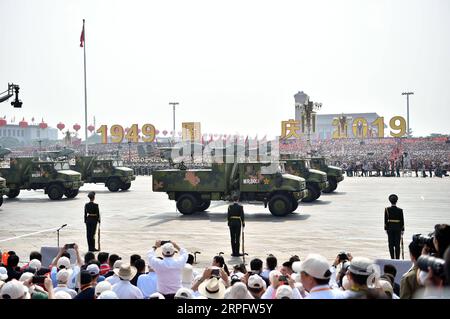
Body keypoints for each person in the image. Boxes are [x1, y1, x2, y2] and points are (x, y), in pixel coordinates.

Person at [384, 194, 404, 259]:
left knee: (391, 244)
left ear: (390, 201)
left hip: (390, 228)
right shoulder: (400, 210)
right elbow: (402, 220)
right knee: (397, 245)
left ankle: (392, 258)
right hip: (398, 228)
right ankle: (397, 258)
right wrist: (402, 230)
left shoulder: (387, 209)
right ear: (396, 201)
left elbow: (385, 220)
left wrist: (386, 229)